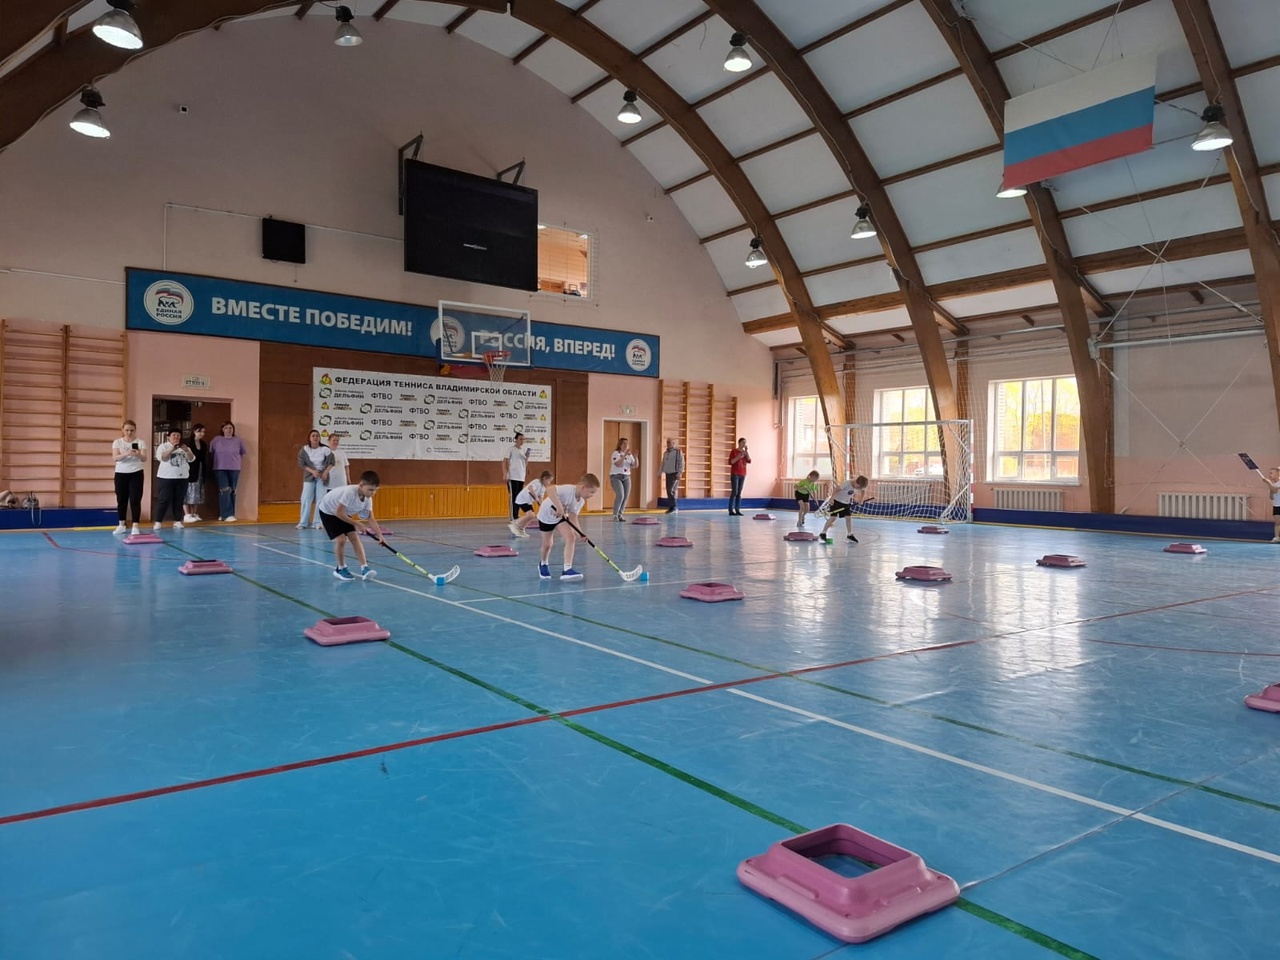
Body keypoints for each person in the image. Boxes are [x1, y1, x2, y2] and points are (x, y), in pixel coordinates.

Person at [317, 470, 385, 581]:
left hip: (343, 512)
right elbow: (338, 513)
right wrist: (357, 523)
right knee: (341, 540)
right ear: (361, 485)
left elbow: (371, 519)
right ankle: (340, 568)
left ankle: (364, 568)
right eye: (370, 490)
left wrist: (380, 536)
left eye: (375, 490)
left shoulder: (368, 499)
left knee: (354, 537)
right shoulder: (350, 493)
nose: (373, 493)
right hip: (328, 511)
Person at [537, 473, 600, 581]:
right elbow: (550, 489)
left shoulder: (580, 501)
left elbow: (573, 518)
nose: (592, 495)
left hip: (560, 518)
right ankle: (543, 563)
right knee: (547, 545)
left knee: (571, 537)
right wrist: (559, 507)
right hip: (546, 516)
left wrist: (581, 533)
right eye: (591, 492)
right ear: (583, 487)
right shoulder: (568, 489)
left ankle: (567, 569)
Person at [111, 419, 147, 535]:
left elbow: (144, 459)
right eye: (127, 430)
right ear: (123, 430)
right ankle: (121, 524)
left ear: (135, 430)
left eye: (132, 430)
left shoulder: (141, 442)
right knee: (121, 499)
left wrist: (138, 454)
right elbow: (115, 458)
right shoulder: (117, 442)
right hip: (121, 473)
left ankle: (135, 525)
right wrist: (127, 453)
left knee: (135, 499)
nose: (129, 432)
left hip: (136, 473)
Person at [154, 430, 193, 530]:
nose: (176, 437)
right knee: (164, 500)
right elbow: (162, 458)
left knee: (179, 500)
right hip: (166, 477)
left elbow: (192, 459)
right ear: (168, 437)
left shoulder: (185, 447)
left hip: (182, 477)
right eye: (174, 435)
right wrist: (172, 448)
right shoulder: (163, 446)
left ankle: (177, 521)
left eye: (178, 435)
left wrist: (187, 451)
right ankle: (158, 522)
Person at [297, 429, 335, 529]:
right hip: (309, 476)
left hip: (322, 477)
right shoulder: (305, 449)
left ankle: (317, 522)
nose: (315, 437)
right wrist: (312, 471)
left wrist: (325, 473)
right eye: (313, 435)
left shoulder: (325, 449)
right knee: (306, 499)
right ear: (309, 438)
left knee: (321, 500)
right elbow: (301, 463)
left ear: (319, 438)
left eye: (317, 435)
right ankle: (303, 522)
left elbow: (332, 462)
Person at [210, 421, 247, 522]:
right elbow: (212, 453)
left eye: (230, 428)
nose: (228, 430)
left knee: (232, 490)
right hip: (220, 468)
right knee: (224, 490)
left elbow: (243, 453)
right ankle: (225, 514)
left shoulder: (238, 440)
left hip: (234, 468)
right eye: (226, 428)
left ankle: (230, 513)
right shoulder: (216, 440)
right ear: (222, 429)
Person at [819, 475, 869, 544]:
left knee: (848, 518)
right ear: (856, 482)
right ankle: (823, 533)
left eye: (859, 488)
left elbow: (863, 491)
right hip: (836, 501)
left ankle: (849, 535)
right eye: (858, 487)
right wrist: (832, 498)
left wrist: (861, 500)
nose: (858, 488)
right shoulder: (847, 483)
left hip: (845, 503)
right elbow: (836, 489)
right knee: (833, 518)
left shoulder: (860, 485)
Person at [509, 470, 553, 538]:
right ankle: (515, 524)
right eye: (549, 481)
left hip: (528, 501)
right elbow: (530, 488)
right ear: (544, 478)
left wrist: (542, 506)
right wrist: (535, 497)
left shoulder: (543, 488)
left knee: (532, 516)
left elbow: (541, 497)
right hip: (522, 499)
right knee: (530, 515)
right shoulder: (537, 482)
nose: (549, 483)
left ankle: (521, 529)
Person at [182, 423, 208, 524]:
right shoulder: (188, 442)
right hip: (189, 469)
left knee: (197, 491)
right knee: (187, 491)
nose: (202, 433)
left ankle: (194, 513)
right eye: (199, 431)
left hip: (200, 469)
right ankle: (187, 514)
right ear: (194, 432)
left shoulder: (203, 444)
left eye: (203, 432)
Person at [502, 432, 529, 520]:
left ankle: (516, 515)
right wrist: (505, 473)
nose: (522, 441)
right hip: (513, 476)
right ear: (516, 439)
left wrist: (527, 458)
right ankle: (513, 516)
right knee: (513, 496)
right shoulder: (511, 449)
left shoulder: (524, 450)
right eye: (520, 439)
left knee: (519, 497)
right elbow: (504, 461)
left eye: (523, 439)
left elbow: (525, 464)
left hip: (521, 476)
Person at [609, 437, 637, 521]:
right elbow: (618, 464)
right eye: (624, 443)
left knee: (625, 496)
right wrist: (624, 455)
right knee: (620, 495)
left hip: (626, 477)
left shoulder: (629, 455)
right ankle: (615, 515)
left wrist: (636, 457)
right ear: (620, 445)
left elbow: (635, 466)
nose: (626, 445)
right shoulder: (615, 453)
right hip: (616, 477)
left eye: (627, 444)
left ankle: (620, 514)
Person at [659, 438, 684, 513]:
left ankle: (674, 506)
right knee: (668, 490)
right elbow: (663, 463)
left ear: (673, 443)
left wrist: (680, 472)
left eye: (670, 442)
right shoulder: (665, 453)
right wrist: (660, 473)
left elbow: (681, 462)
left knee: (671, 490)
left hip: (674, 473)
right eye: (667, 442)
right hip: (668, 474)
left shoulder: (678, 452)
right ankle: (671, 506)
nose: (668, 444)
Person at [728, 437, 751, 516]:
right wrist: (738, 457)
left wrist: (746, 452)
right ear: (739, 443)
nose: (744, 444)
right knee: (734, 491)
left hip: (742, 474)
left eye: (745, 442)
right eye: (743, 442)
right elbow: (731, 462)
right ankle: (731, 510)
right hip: (735, 474)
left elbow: (749, 460)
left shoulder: (744, 452)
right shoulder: (734, 451)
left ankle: (737, 509)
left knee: (739, 492)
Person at [1267, 466, 1280, 542]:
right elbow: (1271, 497)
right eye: (1269, 473)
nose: (1270, 475)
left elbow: (1275, 491)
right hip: (1276, 505)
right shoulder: (1273, 484)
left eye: (1271, 473)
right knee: (1277, 522)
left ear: (1278, 474)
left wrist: (1268, 483)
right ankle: (1277, 537)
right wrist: (1270, 485)